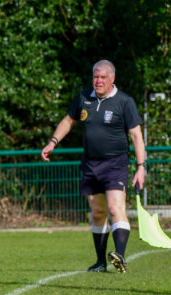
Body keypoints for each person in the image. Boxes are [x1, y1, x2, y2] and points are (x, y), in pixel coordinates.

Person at [41, 59, 146, 273]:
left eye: (103, 77)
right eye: (95, 77)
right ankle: (100, 262)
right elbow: (68, 121)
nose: (98, 81)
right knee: (98, 212)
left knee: (115, 208)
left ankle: (120, 255)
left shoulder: (124, 101)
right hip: (90, 164)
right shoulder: (83, 97)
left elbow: (136, 135)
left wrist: (141, 166)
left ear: (112, 78)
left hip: (115, 163)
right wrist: (53, 142)